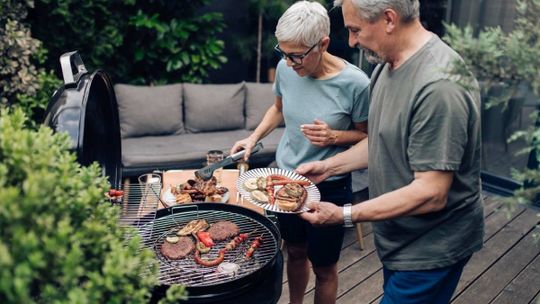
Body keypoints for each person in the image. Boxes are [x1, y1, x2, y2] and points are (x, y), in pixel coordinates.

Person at [297, 0, 484, 303]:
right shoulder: (385, 65)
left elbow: (431, 191)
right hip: (397, 239)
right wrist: (329, 167)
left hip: (430, 249)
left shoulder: (440, 86)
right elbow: (383, 141)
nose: (352, 41)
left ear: (388, 20)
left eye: (355, 30)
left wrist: (345, 215)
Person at [230, 1, 370, 303]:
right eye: (284, 53)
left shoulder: (357, 84)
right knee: (294, 252)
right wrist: (253, 138)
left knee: (324, 267)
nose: (290, 63)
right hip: (284, 180)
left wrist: (336, 135)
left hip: (329, 186)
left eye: (297, 55)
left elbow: (368, 137)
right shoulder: (285, 67)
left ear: (323, 44)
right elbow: (278, 108)